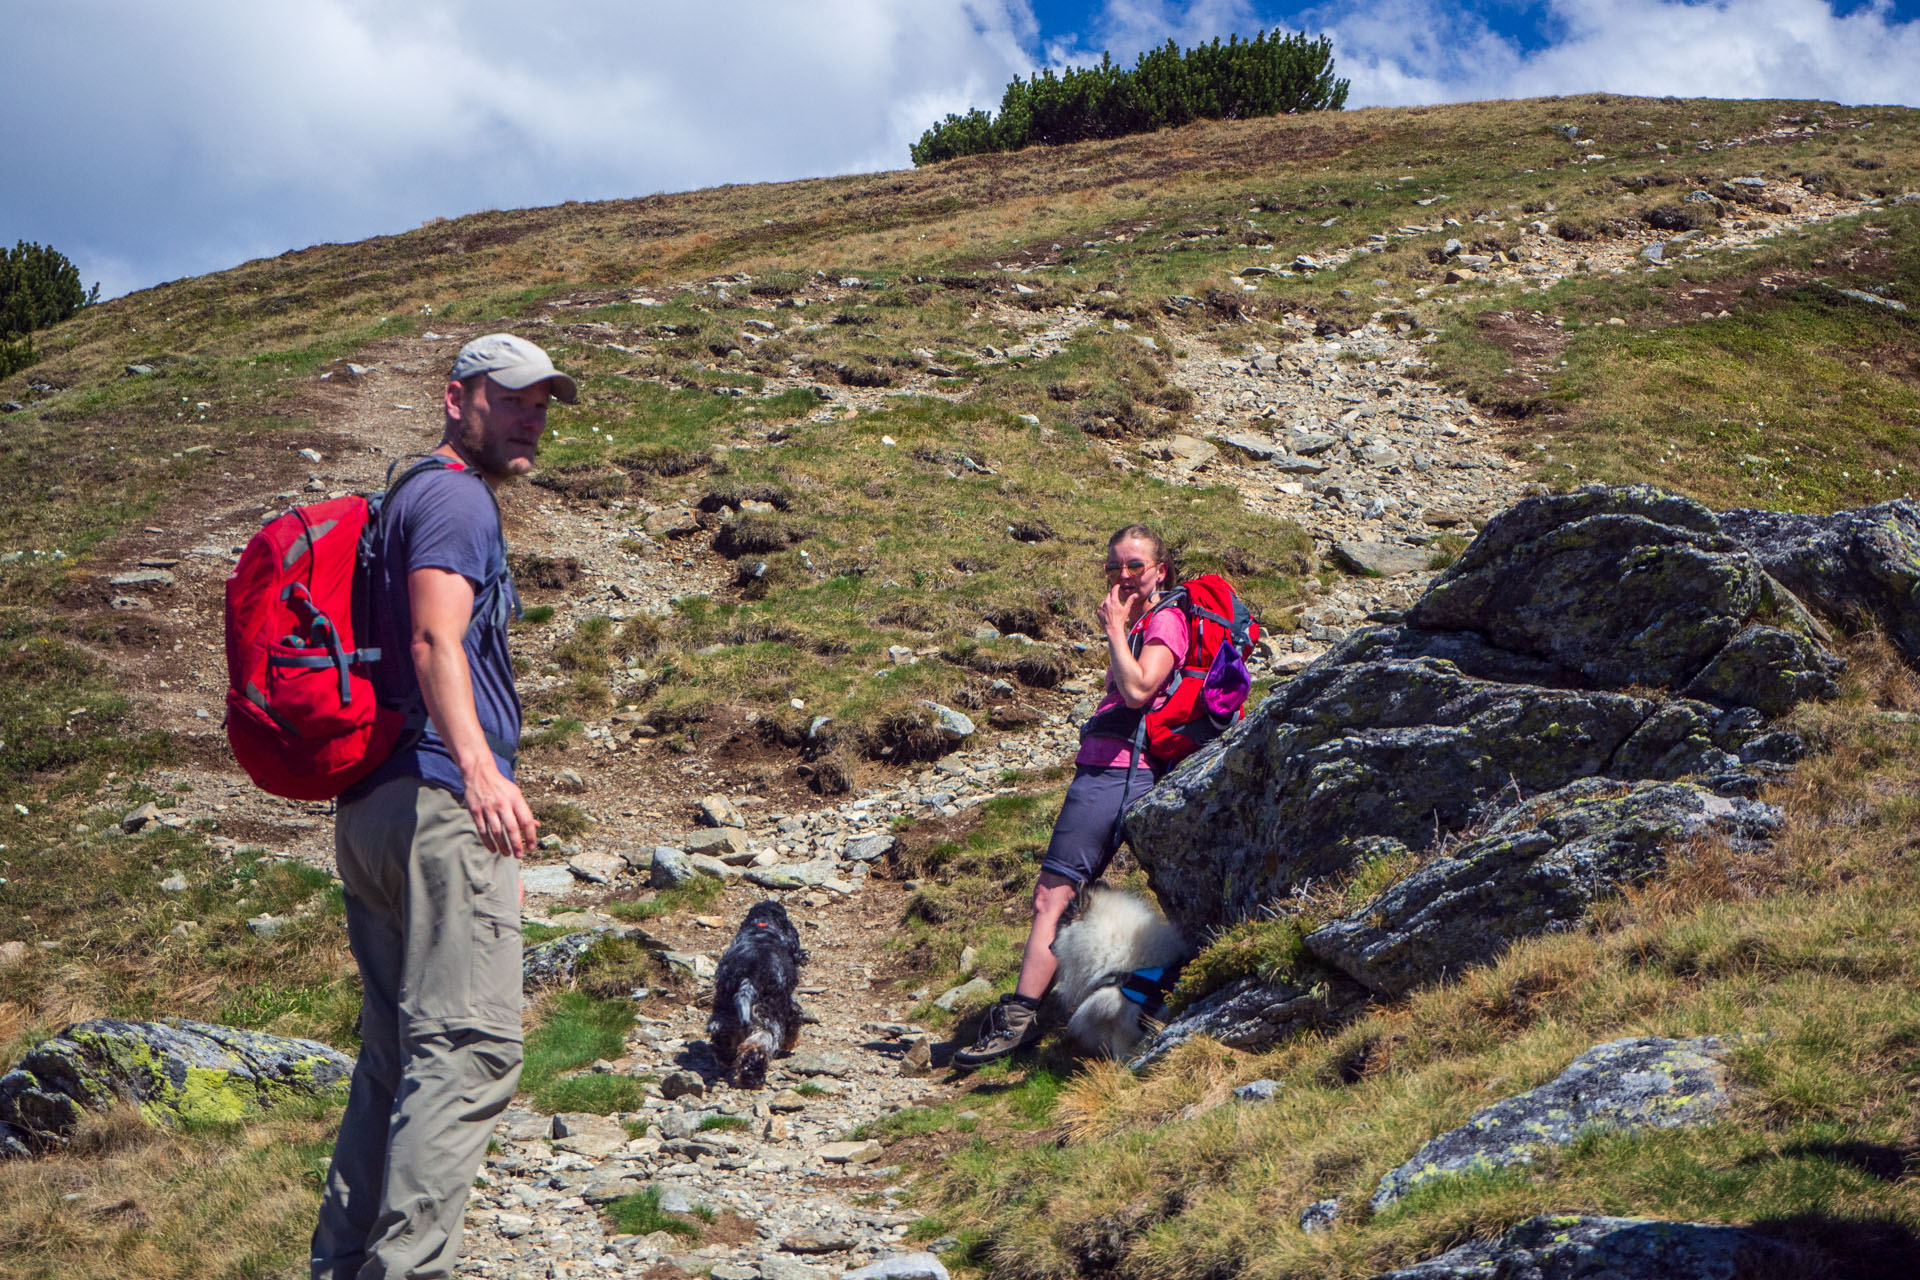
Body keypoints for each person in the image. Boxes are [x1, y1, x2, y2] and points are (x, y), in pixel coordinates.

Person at [312, 333, 576, 1280]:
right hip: (434, 804)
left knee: (395, 1059)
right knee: (468, 1050)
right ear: (457, 398)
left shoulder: (403, 493)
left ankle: (345, 1265)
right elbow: (435, 639)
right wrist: (480, 768)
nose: (531, 417)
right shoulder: (458, 498)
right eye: (512, 400)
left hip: (373, 805)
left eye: (543, 403)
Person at [954, 524, 1187, 1067]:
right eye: (1114, 567)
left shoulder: (1166, 619)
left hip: (1119, 767)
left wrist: (1114, 629)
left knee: (1051, 895)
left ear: (1161, 571)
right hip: (1127, 765)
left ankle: (1018, 1021)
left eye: (1135, 566)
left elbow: (1138, 689)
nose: (1123, 576)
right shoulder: (1153, 619)